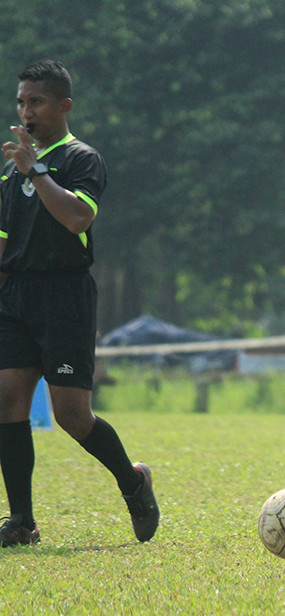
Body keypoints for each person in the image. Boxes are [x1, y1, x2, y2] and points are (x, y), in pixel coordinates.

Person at [0, 60, 159, 547]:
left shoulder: (81, 159)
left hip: (64, 295)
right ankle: (22, 522)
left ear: (64, 106)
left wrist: (37, 170)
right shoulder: (10, 173)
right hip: (15, 297)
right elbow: (4, 242)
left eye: (38, 102)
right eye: (22, 101)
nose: (27, 111)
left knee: (72, 416)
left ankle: (133, 483)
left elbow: (75, 219)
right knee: (6, 402)